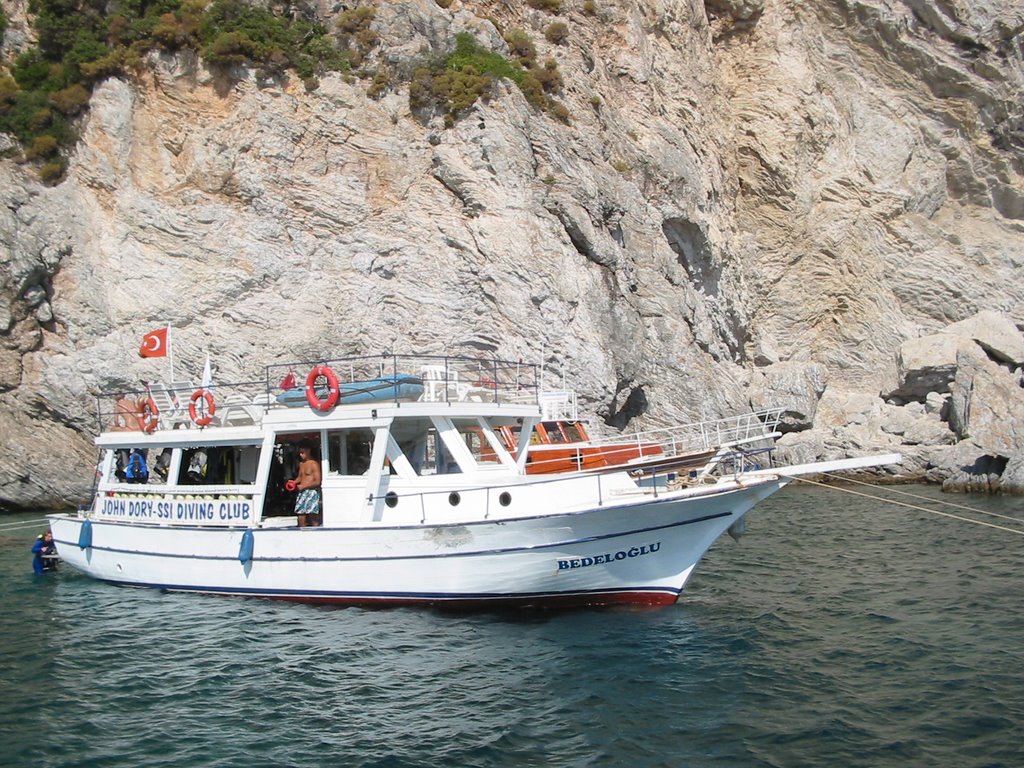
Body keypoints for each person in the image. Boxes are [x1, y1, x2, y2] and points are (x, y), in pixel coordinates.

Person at [293, 442, 322, 527]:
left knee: (312, 515)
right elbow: (300, 477)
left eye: (302, 453)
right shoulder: (301, 464)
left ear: (308, 451)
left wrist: (304, 486)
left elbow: (317, 481)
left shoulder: (314, 464)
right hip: (302, 492)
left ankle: (316, 533)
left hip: (312, 492)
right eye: (300, 453)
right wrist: (293, 482)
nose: (301, 455)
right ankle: (302, 534)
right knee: (300, 514)